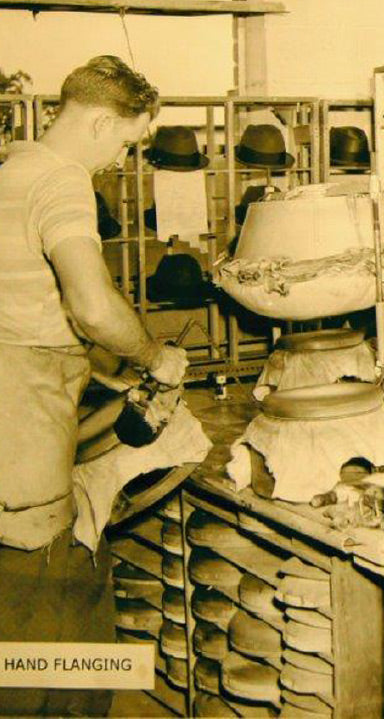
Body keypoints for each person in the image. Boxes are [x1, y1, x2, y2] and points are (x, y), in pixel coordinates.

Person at [0, 56, 187, 717]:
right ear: (103, 121)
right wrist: (151, 356)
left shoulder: (9, 167)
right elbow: (91, 305)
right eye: (127, 142)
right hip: (24, 479)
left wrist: (104, 373)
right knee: (61, 654)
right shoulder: (62, 181)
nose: (121, 159)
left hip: (15, 418)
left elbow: (29, 316)